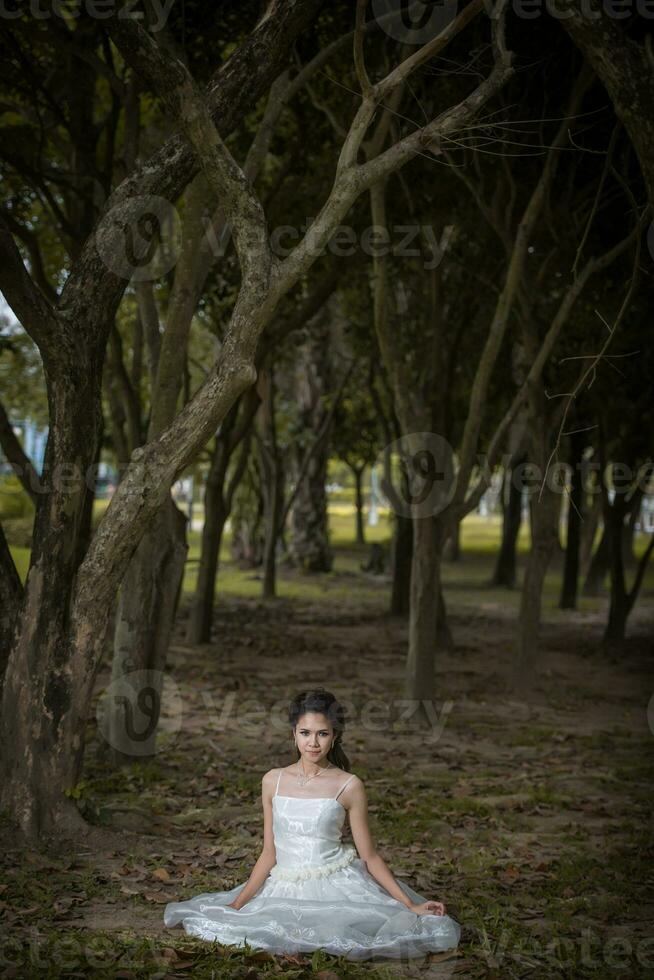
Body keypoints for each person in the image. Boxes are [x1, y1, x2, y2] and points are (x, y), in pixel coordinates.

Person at [164, 689, 461, 960]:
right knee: (259, 928)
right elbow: (270, 853)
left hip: (335, 883)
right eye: (305, 733)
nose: (313, 743)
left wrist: (409, 905)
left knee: (344, 933)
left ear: (334, 736)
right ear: (294, 734)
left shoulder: (349, 785)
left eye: (322, 734)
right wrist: (238, 904)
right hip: (284, 883)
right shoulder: (273, 780)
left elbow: (369, 856)